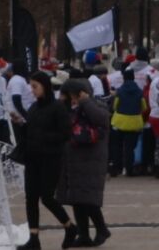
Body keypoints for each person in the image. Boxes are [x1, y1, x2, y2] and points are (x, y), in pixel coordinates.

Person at [13, 71, 76, 250]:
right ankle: (34, 238)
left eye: (35, 87)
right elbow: (30, 131)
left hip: (50, 159)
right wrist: (20, 124)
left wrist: (43, 137)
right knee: (31, 197)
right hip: (33, 158)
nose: (32, 90)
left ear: (45, 86)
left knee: (47, 197)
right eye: (31, 87)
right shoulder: (33, 108)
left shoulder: (57, 107)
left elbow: (65, 134)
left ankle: (69, 227)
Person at [57, 79, 111, 247]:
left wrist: (85, 101)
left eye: (75, 95)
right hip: (72, 159)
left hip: (90, 160)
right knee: (76, 199)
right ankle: (83, 234)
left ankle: (102, 228)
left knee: (87, 198)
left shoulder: (96, 106)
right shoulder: (68, 109)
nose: (72, 99)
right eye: (69, 95)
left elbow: (101, 119)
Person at [108, 69, 144, 177]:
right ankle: (129, 169)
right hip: (134, 122)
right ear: (133, 77)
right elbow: (144, 106)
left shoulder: (120, 91)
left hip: (119, 121)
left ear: (124, 78)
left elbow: (115, 106)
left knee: (117, 146)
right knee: (130, 147)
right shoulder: (139, 91)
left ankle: (116, 168)